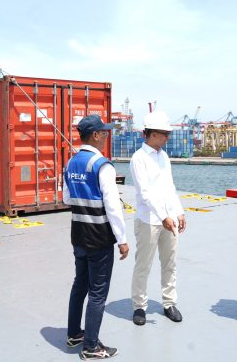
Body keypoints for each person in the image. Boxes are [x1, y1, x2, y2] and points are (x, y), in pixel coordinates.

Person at [64, 114, 130, 360]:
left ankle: (74, 334)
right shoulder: (103, 166)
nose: (106, 136)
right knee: (98, 293)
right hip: (99, 238)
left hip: (78, 235)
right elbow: (112, 207)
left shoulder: (71, 163)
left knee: (79, 284)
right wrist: (122, 240)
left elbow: (66, 198)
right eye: (104, 132)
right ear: (95, 135)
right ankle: (91, 347)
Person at [129, 110, 186, 326]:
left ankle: (169, 303)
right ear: (152, 134)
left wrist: (179, 211)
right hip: (149, 221)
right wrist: (163, 216)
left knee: (169, 263)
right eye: (165, 134)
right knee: (143, 265)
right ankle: (139, 306)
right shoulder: (139, 158)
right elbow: (145, 193)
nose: (167, 138)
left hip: (168, 219)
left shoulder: (164, 156)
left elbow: (169, 187)